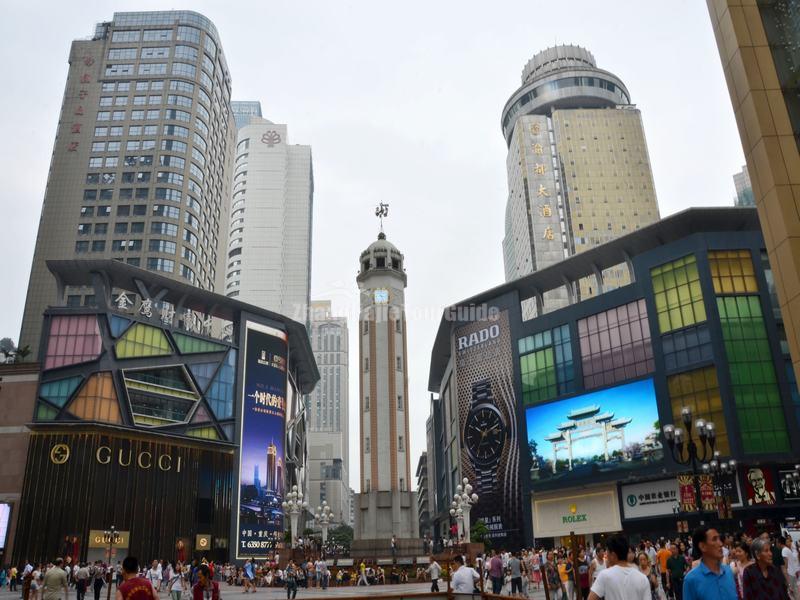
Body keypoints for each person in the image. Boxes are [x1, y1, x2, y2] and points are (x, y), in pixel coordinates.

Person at [588, 534, 650, 600]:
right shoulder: (643, 579)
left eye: (607, 552)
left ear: (613, 555)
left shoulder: (604, 576)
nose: (606, 555)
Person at [683, 526, 737, 600]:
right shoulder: (691, 580)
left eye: (719, 539)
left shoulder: (728, 571)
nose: (721, 544)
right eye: (714, 539)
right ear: (702, 546)